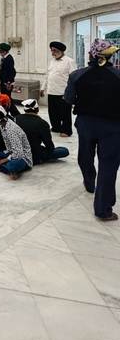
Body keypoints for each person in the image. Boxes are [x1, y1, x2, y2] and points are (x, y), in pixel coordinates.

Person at [64, 39, 120, 221]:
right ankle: (103, 209)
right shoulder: (118, 75)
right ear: (110, 56)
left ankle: (89, 182)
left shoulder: (77, 75)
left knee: (85, 153)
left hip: (86, 122)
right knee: (108, 164)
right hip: (112, 125)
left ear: (90, 54)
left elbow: (69, 98)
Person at [16, 99, 69, 165]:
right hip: (34, 154)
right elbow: (49, 146)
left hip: (17, 151)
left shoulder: (16, 119)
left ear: (24, 110)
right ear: (37, 110)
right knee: (64, 150)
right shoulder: (43, 123)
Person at [40, 41, 76, 137]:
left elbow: (74, 77)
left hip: (63, 92)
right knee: (53, 112)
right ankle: (56, 127)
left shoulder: (69, 61)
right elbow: (47, 76)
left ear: (61, 51)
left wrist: (73, 92)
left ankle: (66, 130)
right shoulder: (51, 62)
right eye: (51, 50)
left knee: (64, 113)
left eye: (54, 50)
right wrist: (43, 88)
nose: (53, 53)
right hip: (52, 91)